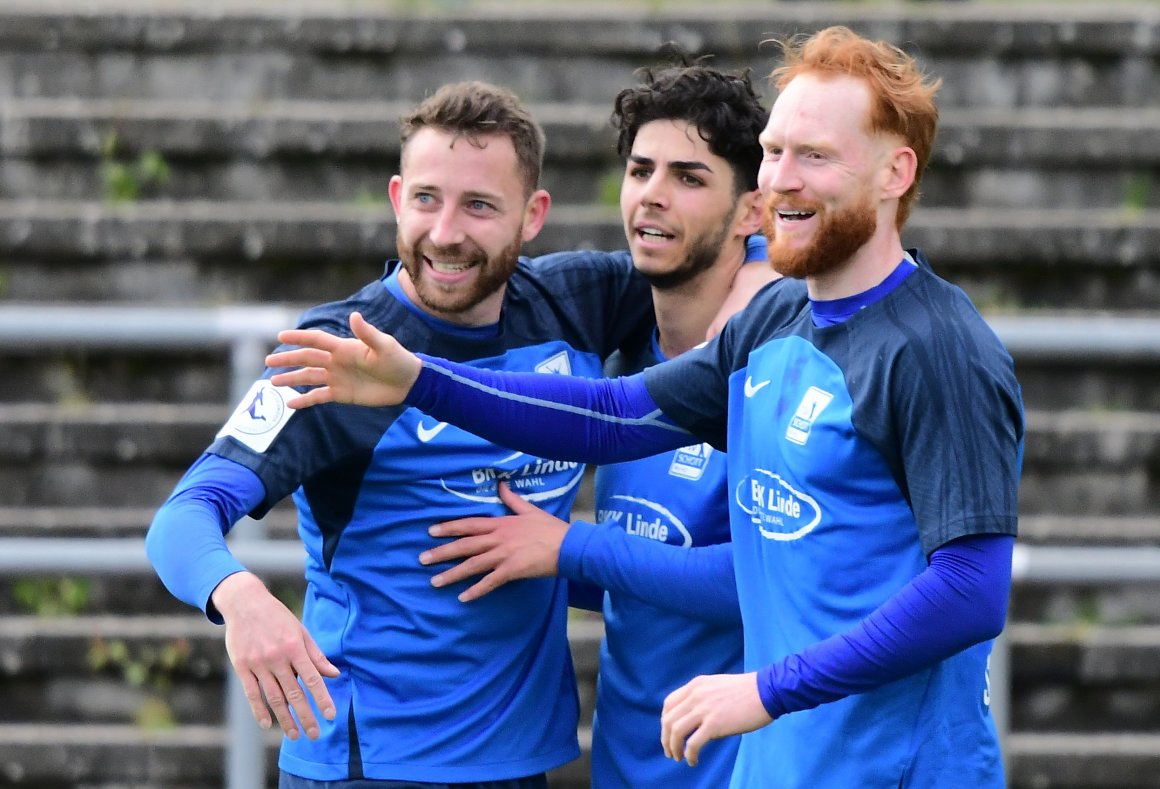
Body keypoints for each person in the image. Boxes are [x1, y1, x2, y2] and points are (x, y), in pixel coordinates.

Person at [267, 25, 1025, 788]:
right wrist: (420, 380)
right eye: (774, 151)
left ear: (896, 172)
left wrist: (766, 686)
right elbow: (614, 413)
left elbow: (970, 591)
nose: (783, 179)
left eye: (816, 157)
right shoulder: (776, 322)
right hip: (781, 766)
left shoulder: (936, 347)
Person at [146, 80, 772, 787]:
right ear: (394, 198)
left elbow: (704, 252)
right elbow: (183, 515)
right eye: (425, 199)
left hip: (522, 761)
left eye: (478, 205)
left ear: (532, 215)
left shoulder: (577, 303)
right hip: (372, 763)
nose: (445, 232)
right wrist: (239, 596)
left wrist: (760, 279)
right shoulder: (337, 352)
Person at [427, 63, 776, 788]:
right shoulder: (616, 356)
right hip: (625, 767)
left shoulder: (776, 366)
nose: (652, 192)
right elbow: (645, 565)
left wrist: (570, 548)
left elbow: (766, 580)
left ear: (751, 212)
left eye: (689, 176)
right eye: (641, 169)